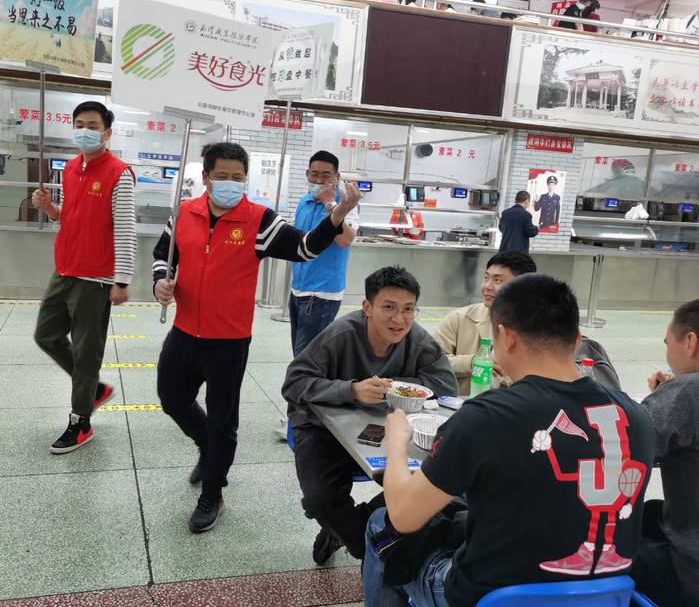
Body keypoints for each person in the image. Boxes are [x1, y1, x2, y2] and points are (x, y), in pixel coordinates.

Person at [363, 274, 655, 607]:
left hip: (495, 599)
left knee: (381, 525)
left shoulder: (485, 416)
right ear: (576, 340)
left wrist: (396, 443)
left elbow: (404, 515)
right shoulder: (637, 416)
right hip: (602, 597)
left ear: (506, 337)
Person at [152, 142, 360, 533]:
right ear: (206, 176)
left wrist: (338, 214)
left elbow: (305, 248)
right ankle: (206, 447)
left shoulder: (259, 220)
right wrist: (160, 282)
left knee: (223, 419)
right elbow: (164, 255)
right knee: (171, 398)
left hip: (229, 340)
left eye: (238, 177)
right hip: (184, 331)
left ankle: (212, 492)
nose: (230, 183)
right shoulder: (183, 213)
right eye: (222, 176)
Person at [282, 266, 458, 565]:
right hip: (321, 428)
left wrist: (393, 386)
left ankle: (344, 528)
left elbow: (445, 384)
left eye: (408, 309)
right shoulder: (341, 334)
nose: (399, 319)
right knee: (320, 499)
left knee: (430, 484)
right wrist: (351, 389)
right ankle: (368, 546)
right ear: (367, 307)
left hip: (389, 429)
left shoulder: (417, 339)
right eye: (388, 307)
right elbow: (294, 382)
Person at [31, 101, 136, 454]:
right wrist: (50, 208)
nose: (85, 131)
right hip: (64, 269)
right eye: (79, 124)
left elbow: (125, 229)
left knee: (87, 353)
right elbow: (72, 217)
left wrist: (122, 279)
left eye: (93, 125)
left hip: (96, 279)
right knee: (46, 335)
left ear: (107, 133)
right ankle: (94, 390)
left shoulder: (119, 173)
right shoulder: (72, 167)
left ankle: (81, 423)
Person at [632, 299, 699, 607]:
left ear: (690, 342)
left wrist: (664, 395)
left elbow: (629, 443)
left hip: (688, 571)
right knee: (650, 514)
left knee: (594, 553)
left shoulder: (686, 391)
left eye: (667, 342)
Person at [434, 252, 536, 395]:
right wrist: (473, 362)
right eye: (486, 278)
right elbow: (432, 362)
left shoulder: (538, 330)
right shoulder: (459, 318)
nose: (487, 286)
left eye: (498, 280)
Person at [289, 151, 358, 358]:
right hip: (297, 290)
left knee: (308, 358)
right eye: (314, 174)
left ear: (337, 176)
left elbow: (345, 240)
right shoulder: (304, 202)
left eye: (326, 175)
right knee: (299, 354)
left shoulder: (345, 204)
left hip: (322, 294)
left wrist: (331, 206)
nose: (319, 180)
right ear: (307, 174)